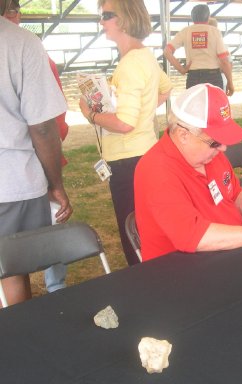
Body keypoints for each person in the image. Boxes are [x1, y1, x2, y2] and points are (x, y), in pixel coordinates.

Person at [134, 83, 242, 261]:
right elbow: (194, 237)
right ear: (183, 135)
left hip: (230, 255)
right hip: (183, 270)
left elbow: (234, 196)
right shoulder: (156, 170)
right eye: (215, 142)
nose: (224, 148)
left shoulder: (210, 154)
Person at [79, 0, 172, 266]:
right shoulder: (145, 55)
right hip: (145, 155)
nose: (102, 21)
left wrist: (91, 114)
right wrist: (144, 113)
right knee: (147, 229)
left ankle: (145, 286)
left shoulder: (130, 64)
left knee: (134, 235)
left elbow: (123, 123)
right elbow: (165, 89)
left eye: (106, 15)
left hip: (128, 162)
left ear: (124, 19)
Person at [0, 3, 72, 306]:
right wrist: (56, 184)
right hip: (10, 180)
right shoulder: (19, 42)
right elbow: (43, 126)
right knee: (12, 270)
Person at [163, 4, 234, 96]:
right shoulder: (214, 31)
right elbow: (224, 60)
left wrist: (181, 69)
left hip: (193, 77)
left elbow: (167, 51)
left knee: (194, 108)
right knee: (214, 108)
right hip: (213, 77)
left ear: (192, 17)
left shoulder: (185, 31)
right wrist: (230, 82)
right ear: (208, 17)